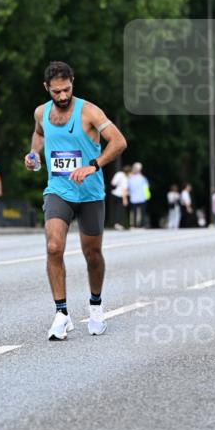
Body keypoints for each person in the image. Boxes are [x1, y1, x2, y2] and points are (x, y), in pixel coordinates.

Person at [24, 60, 127, 341]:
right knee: (53, 246)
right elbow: (39, 134)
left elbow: (118, 142)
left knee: (92, 255)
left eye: (66, 90)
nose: (62, 96)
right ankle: (61, 313)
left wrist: (94, 165)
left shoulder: (89, 111)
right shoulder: (41, 113)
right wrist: (34, 156)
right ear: (47, 88)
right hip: (58, 190)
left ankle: (95, 306)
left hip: (91, 193)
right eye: (56, 92)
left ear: (73, 83)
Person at [127, 162, 149, 228]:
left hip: (133, 197)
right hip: (142, 197)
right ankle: (141, 224)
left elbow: (129, 187)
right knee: (142, 212)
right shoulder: (143, 178)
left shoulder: (131, 178)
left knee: (134, 212)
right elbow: (147, 186)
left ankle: (134, 225)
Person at [110, 164, 130, 230]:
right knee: (120, 210)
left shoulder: (118, 174)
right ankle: (118, 224)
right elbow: (124, 189)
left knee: (115, 209)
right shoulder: (125, 177)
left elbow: (113, 183)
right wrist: (125, 199)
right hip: (120, 195)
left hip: (114, 194)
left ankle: (114, 223)